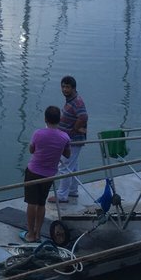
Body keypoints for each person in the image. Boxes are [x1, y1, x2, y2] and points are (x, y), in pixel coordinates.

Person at [23, 105, 70, 243]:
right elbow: (67, 154)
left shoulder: (38, 134)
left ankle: (30, 234)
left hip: (33, 172)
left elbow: (32, 150)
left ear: (45, 119)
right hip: (49, 174)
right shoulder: (64, 137)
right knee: (41, 203)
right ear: (59, 120)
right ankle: (38, 233)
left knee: (31, 203)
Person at [50, 75, 88, 204]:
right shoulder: (71, 100)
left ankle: (62, 195)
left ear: (74, 88)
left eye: (67, 87)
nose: (65, 89)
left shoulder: (77, 101)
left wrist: (73, 130)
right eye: (63, 86)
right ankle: (73, 190)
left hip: (73, 140)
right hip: (71, 139)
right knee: (73, 166)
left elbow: (83, 117)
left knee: (64, 166)